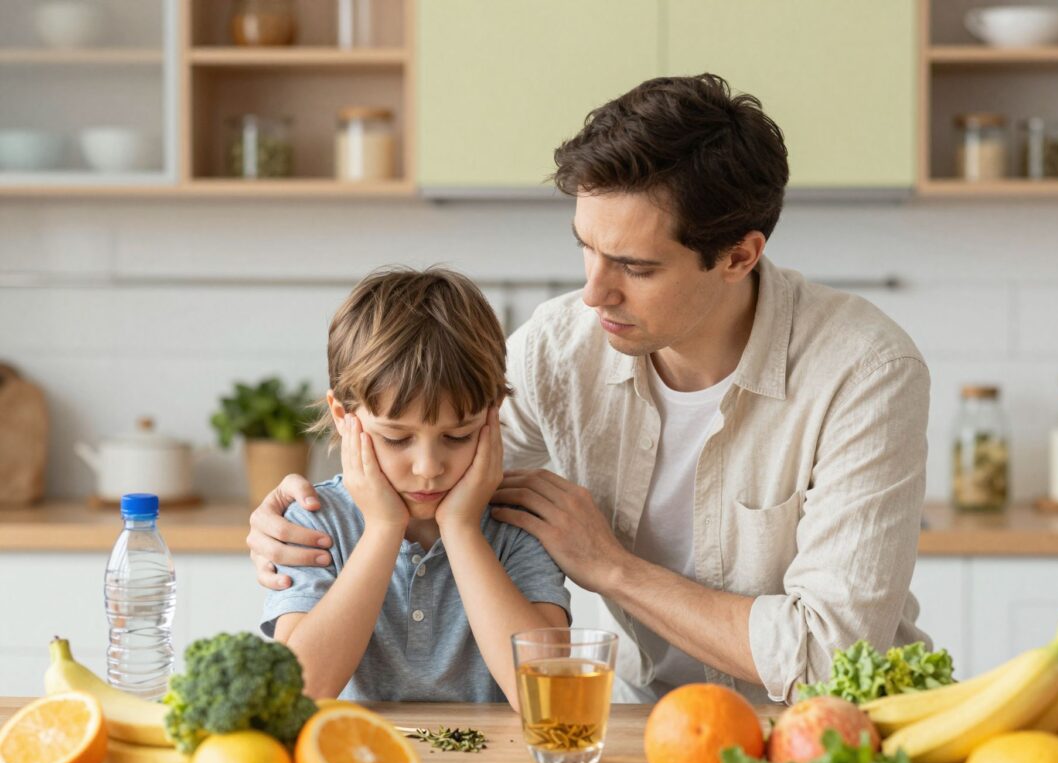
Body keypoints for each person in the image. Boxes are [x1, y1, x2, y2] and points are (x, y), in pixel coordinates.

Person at [248, 74, 932, 705]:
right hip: (646, 723)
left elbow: (831, 655)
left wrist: (612, 567)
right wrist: (289, 515)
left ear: (738, 256)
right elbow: (432, 454)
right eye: (587, 247)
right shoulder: (559, 348)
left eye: (635, 266)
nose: (594, 292)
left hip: (827, 726)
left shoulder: (865, 371)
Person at [260, 267, 570, 708]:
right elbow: (299, 693)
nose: (428, 468)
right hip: (352, 750)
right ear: (344, 416)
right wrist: (383, 528)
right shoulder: (316, 522)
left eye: (458, 435)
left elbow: (547, 697)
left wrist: (461, 528)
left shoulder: (519, 521)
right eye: (396, 438)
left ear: (493, 413)